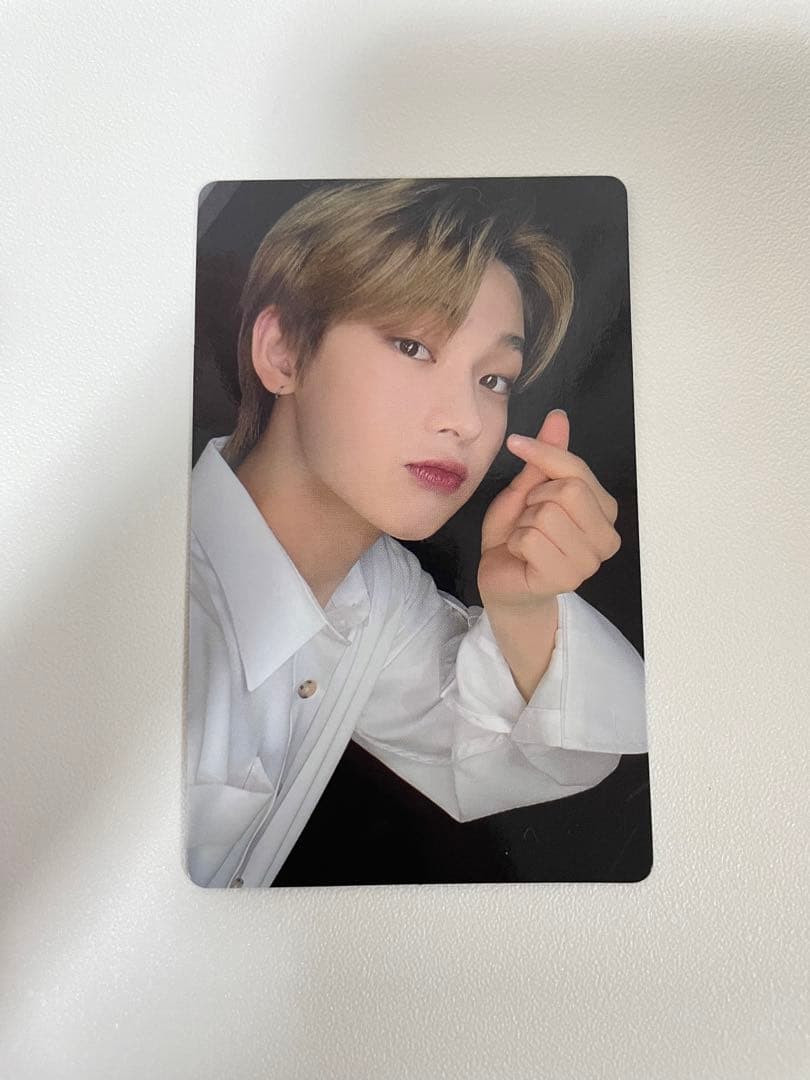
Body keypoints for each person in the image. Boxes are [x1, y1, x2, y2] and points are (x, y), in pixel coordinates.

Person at [186, 179, 647, 888]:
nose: (465, 420)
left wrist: (523, 606)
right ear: (282, 353)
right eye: (413, 345)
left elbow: (520, 755)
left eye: (494, 379)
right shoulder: (154, 616)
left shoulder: (375, 594)